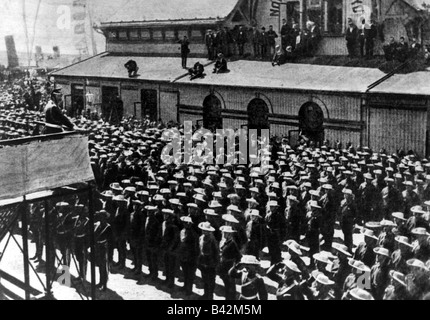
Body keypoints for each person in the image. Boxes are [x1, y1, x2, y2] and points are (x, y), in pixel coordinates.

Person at [197, 222, 219, 300]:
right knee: (205, 280)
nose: (204, 232)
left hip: (210, 263)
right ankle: (205, 295)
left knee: (210, 281)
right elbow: (199, 249)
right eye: (203, 230)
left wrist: (215, 264)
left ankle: (210, 297)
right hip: (203, 262)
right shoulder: (201, 238)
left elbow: (216, 252)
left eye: (206, 230)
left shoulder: (212, 240)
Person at [94, 210, 113, 291]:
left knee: (104, 267)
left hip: (104, 249)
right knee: (99, 266)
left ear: (105, 217)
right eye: (100, 216)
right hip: (98, 247)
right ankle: (100, 282)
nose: (100, 217)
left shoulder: (108, 227)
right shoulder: (98, 224)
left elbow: (111, 241)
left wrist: (110, 254)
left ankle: (104, 285)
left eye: (102, 216)